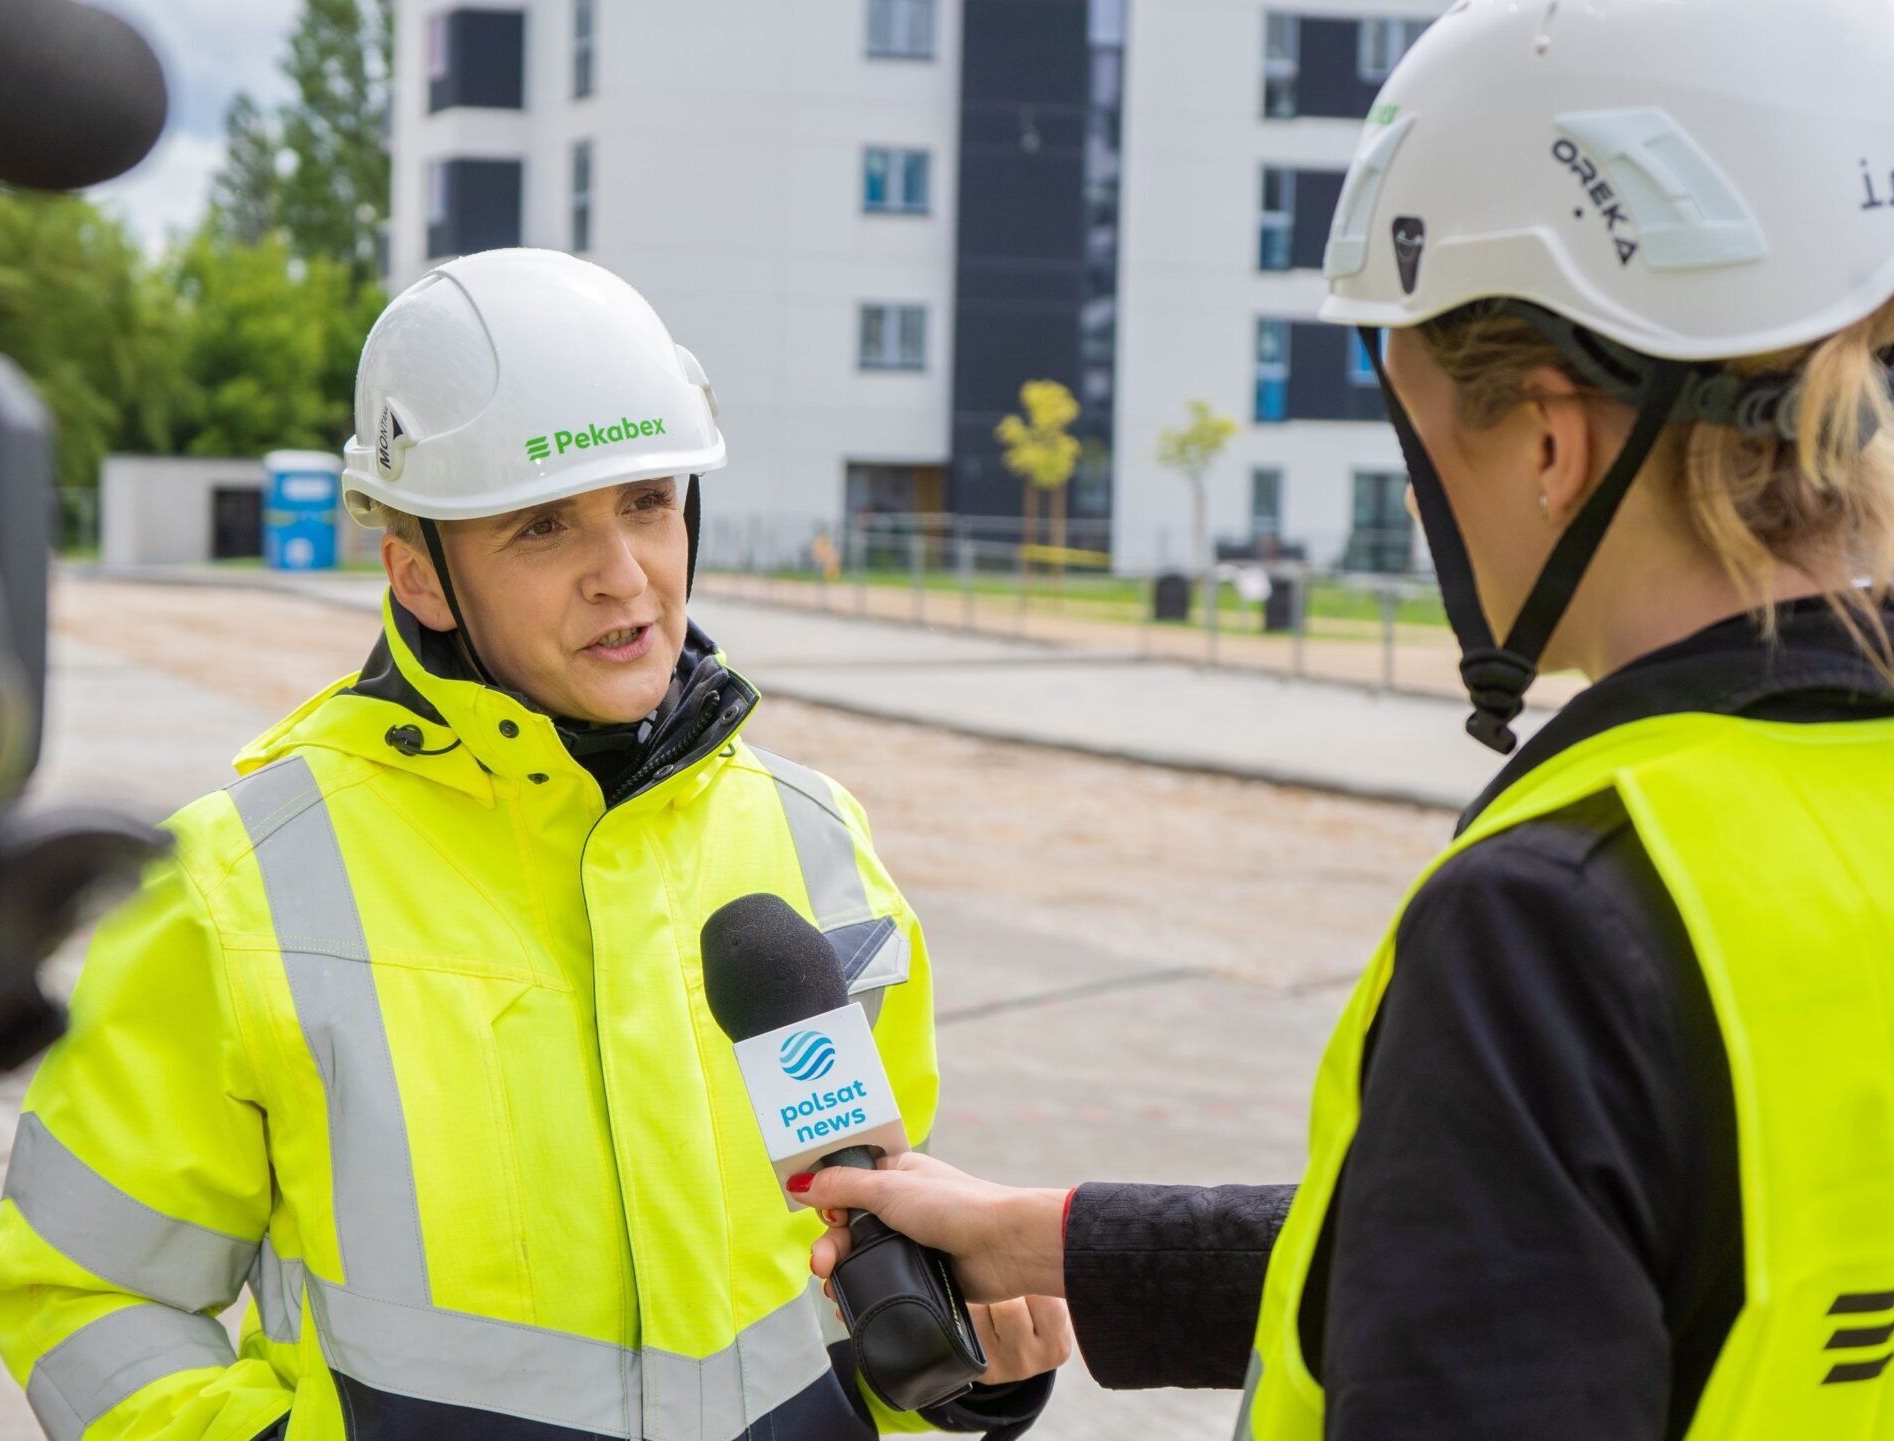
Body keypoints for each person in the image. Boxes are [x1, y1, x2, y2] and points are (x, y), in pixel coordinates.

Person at [792, 3, 1894, 1437]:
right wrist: (1062, 1238)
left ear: (1551, 444)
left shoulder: (1557, 922)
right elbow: (1623, 1254)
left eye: (1415, 424)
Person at [0, 248, 1069, 1441]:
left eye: (648, 502)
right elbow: (83, 1292)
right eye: (544, 526)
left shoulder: (811, 840)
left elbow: (858, 1247)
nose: (624, 576)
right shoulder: (234, 886)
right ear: (420, 576)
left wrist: (960, 1371)